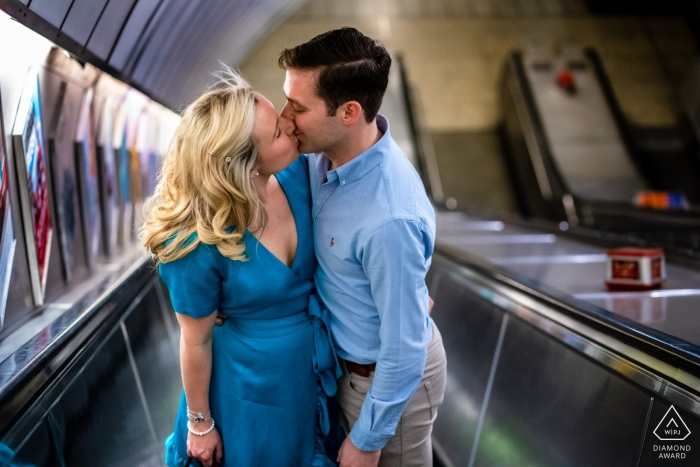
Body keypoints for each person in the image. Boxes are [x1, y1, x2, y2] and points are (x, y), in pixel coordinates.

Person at [140, 69, 340, 467]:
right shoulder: (195, 242)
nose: (289, 124)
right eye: (278, 134)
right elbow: (194, 340)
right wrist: (200, 423)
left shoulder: (301, 176)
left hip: (306, 374)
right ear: (245, 165)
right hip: (243, 388)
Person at [279, 28, 448, 467]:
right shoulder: (320, 158)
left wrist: (368, 440)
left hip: (387, 384)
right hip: (346, 370)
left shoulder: (389, 218)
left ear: (349, 112)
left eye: (298, 107)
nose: (284, 117)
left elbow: (403, 348)